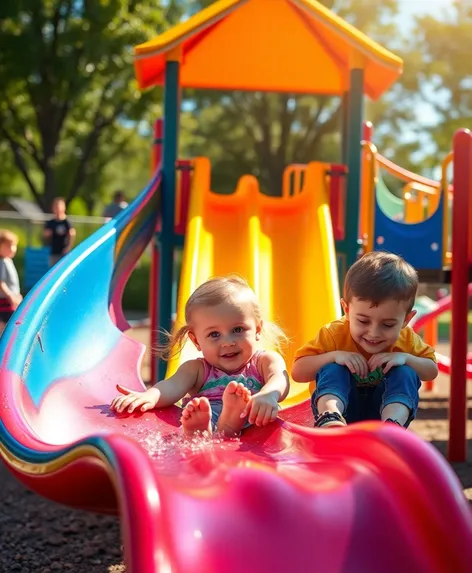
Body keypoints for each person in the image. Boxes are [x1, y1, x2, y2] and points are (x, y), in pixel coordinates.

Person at [110, 275, 290, 437]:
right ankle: (203, 429)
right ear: (196, 341)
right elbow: (172, 386)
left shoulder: (264, 361)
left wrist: (268, 394)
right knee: (200, 411)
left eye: (238, 330)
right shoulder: (196, 369)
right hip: (209, 418)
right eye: (214, 335)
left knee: (253, 412)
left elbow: (279, 378)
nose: (227, 342)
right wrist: (150, 396)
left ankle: (230, 417)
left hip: (255, 425)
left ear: (257, 330)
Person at [291, 251, 438, 429]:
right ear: (346, 309)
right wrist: (335, 356)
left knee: (406, 372)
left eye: (388, 324)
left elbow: (431, 370)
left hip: (382, 411)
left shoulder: (406, 339)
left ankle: (392, 426)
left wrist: (405, 358)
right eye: (363, 321)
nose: (374, 332)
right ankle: (329, 417)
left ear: (406, 319)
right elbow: (298, 372)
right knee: (332, 367)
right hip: (344, 410)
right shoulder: (334, 334)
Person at [0, 230, 22, 334]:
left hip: (11, 300)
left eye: (14, 246)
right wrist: (10, 296)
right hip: (5, 301)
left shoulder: (8, 261)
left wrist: (17, 295)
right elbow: (1, 283)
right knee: (6, 324)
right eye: (8, 246)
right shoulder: (2, 262)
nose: (13, 249)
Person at [43, 197, 76, 268]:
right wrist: (47, 234)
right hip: (54, 252)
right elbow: (45, 234)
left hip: (64, 252)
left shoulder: (66, 222)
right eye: (56, 207)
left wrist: (68, 247)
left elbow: (72, 233)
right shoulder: (51, 223)